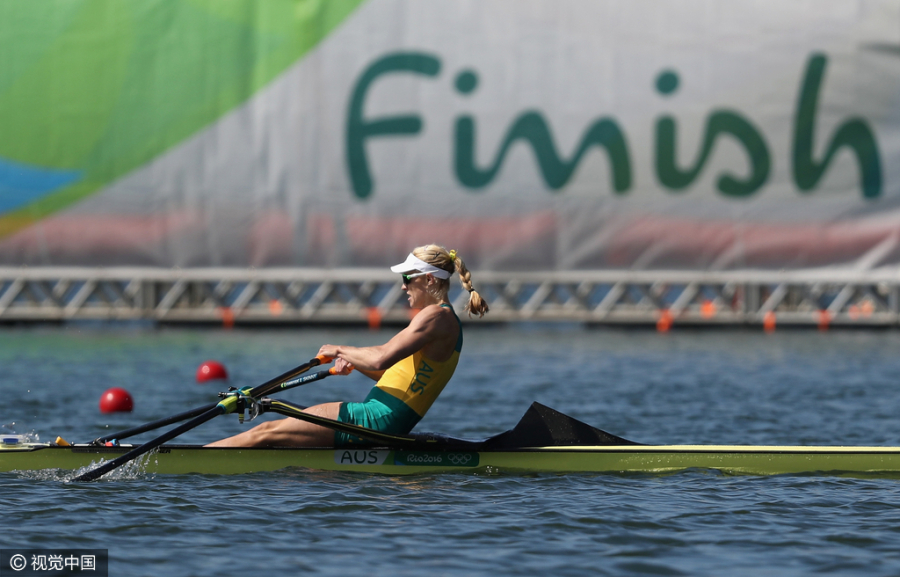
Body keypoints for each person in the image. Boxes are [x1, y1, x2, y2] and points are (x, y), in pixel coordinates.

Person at [206, 244, 488, 448]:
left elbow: (381, 358)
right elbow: (392, 374)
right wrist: (356, 363)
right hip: (382, 420)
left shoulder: (436, 317)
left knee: (266, 432)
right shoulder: (441, 320)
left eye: (406, 278)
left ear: (428, 279)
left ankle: (191, 465)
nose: (402, 287)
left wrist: (338, 349)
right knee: (276, 433)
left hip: (375, 420)